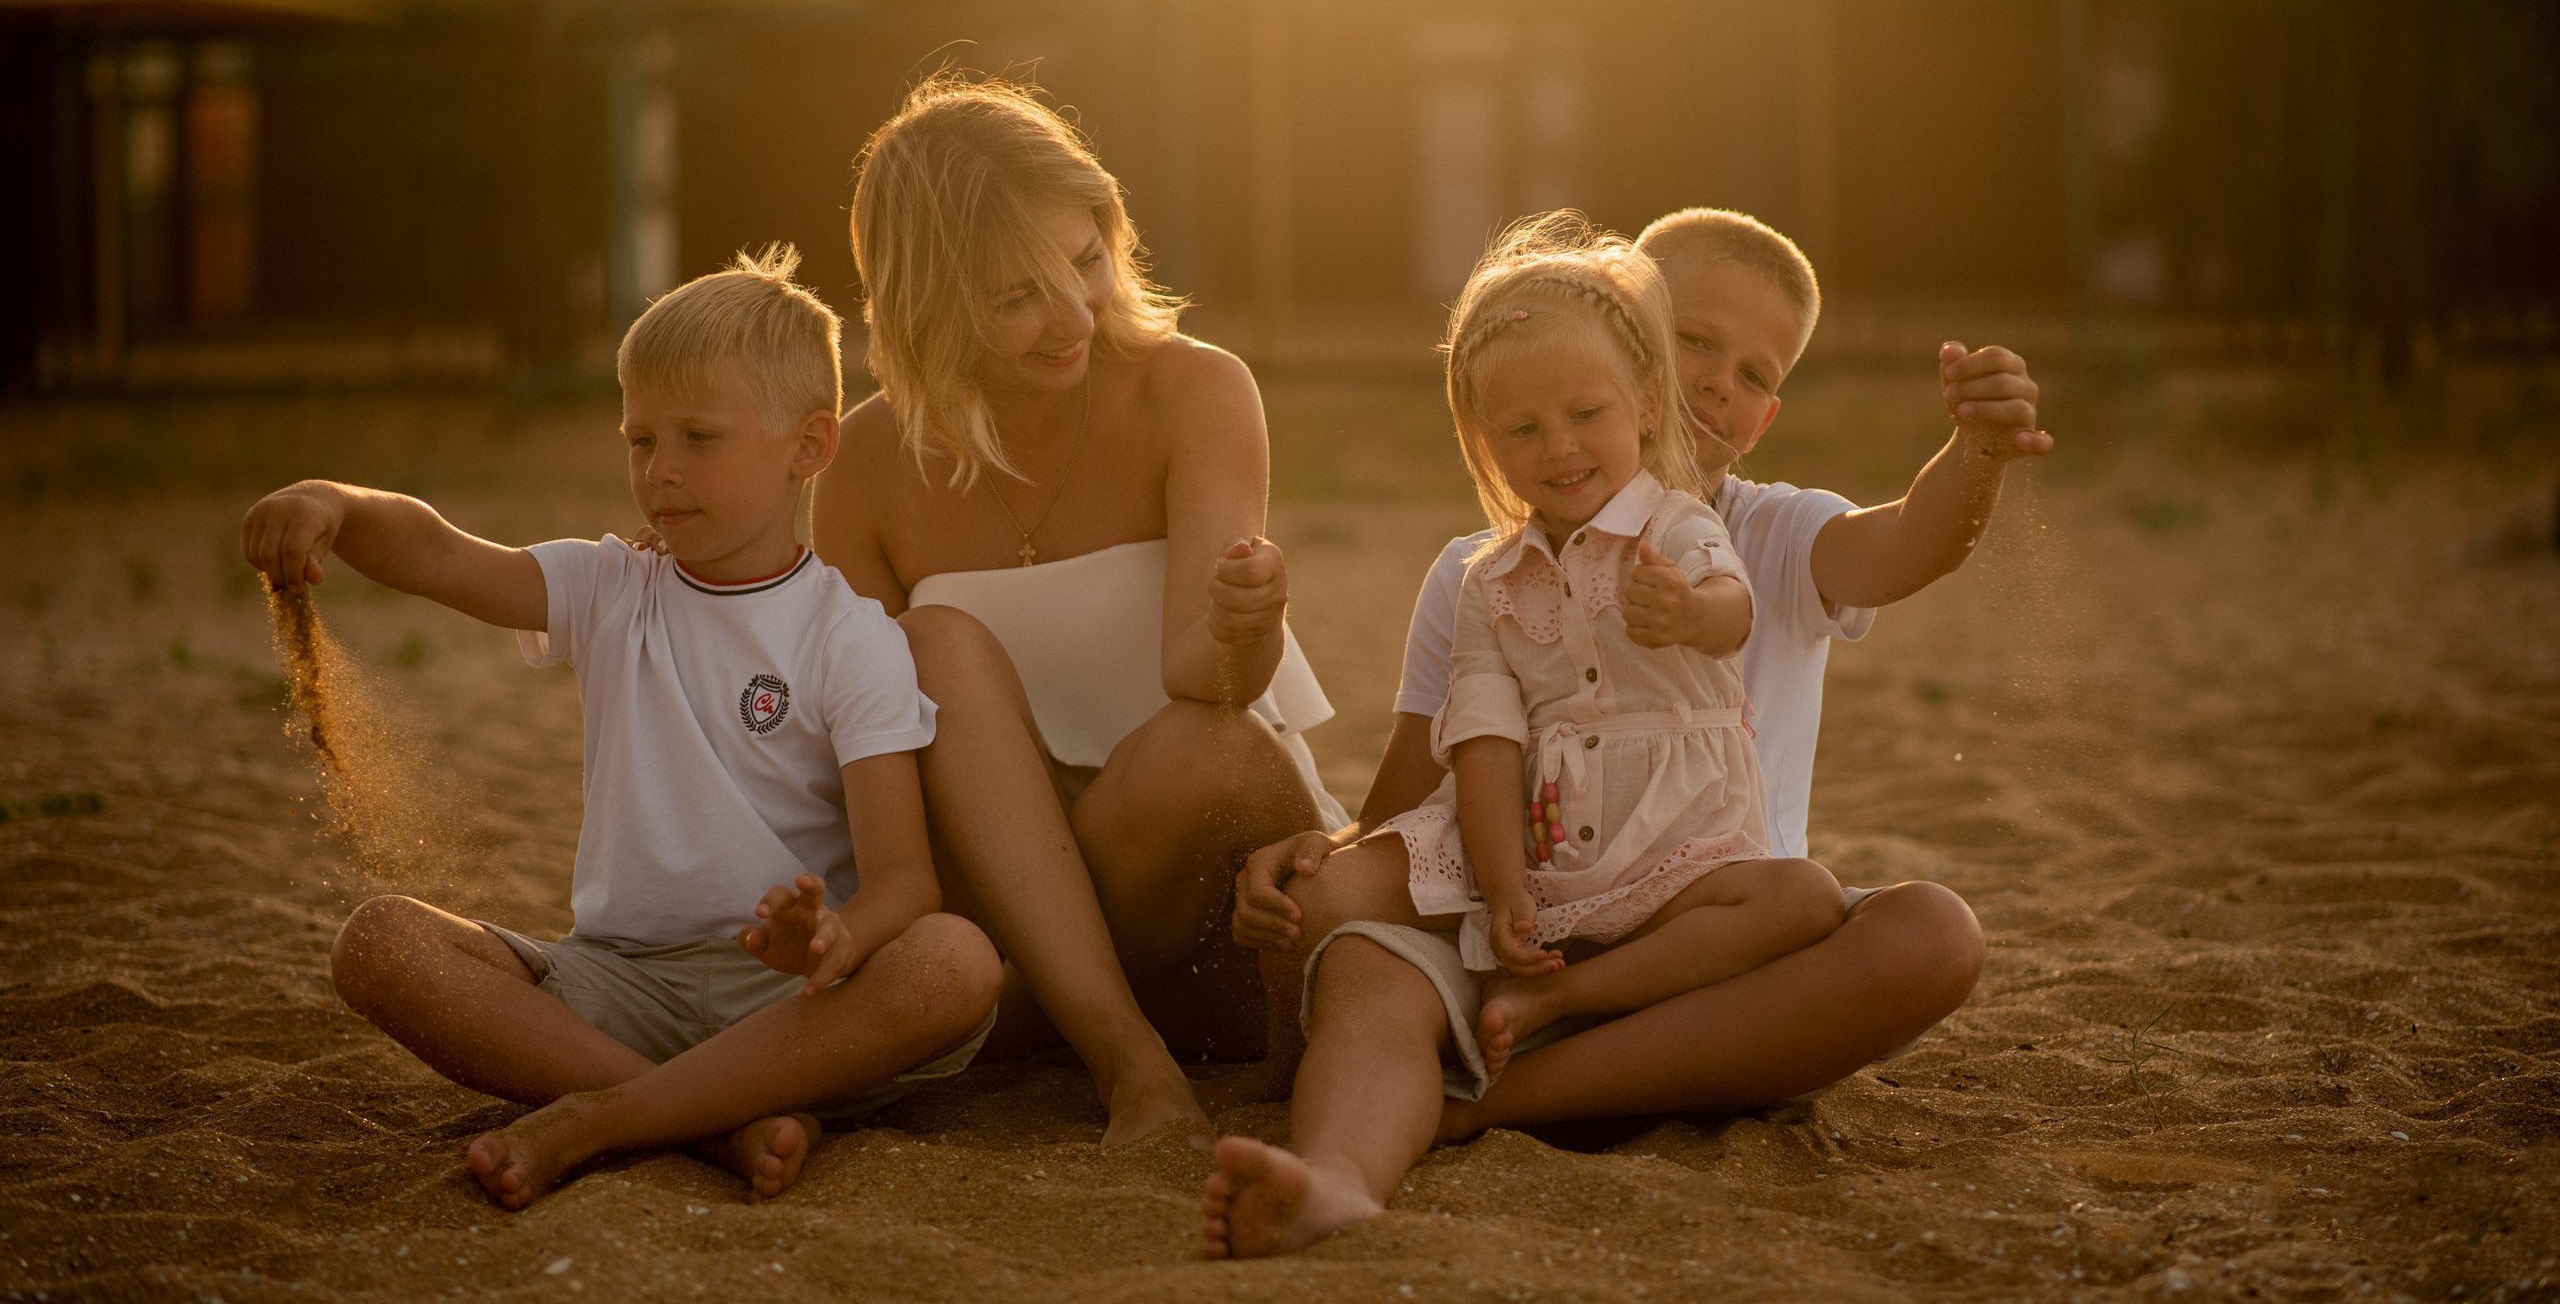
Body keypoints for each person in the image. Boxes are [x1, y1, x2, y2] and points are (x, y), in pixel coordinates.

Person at [1210, 208, 2048, 1255]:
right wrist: (1329, 854)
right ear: (1623, 334)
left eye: (1752, 372)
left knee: (1930, 933)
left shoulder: (1767, 530)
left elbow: (1911, 541)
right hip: (1528, 920)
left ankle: (1486, 1101)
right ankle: (1337, 1174)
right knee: (1361, 961)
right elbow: (1420, 788)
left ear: (1764, 415)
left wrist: (1976, 449)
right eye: (1693, 338)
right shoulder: (1480, 571)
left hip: (1712, 948)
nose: (1715, 383)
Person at [241, 248, 1001, 1209]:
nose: (661, 470)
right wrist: (336, 504)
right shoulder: (610, 587)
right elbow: (442, 554)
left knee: (955, 961)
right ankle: (710, 1121)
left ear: (809, 446)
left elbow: (906, 879)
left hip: (794, 1013)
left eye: (699, 437)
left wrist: (837, 935)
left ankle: (602, 1118)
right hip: (621, 988)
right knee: (379, 943)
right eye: (640, 439)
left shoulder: (852, 637)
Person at [811, 73, 1346, 1147]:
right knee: (930, 648)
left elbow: (1209, 683)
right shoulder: (862, 462)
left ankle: (1041, 1017)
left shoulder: (1195, 390)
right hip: (995, 899)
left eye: (1087, 258)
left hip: (1213, 897)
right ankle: (1117, 1046)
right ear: (924, 303)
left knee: (1203, 745)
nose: (1073, 314)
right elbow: (859, 757)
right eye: (1017, 294)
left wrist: (1246, 626)